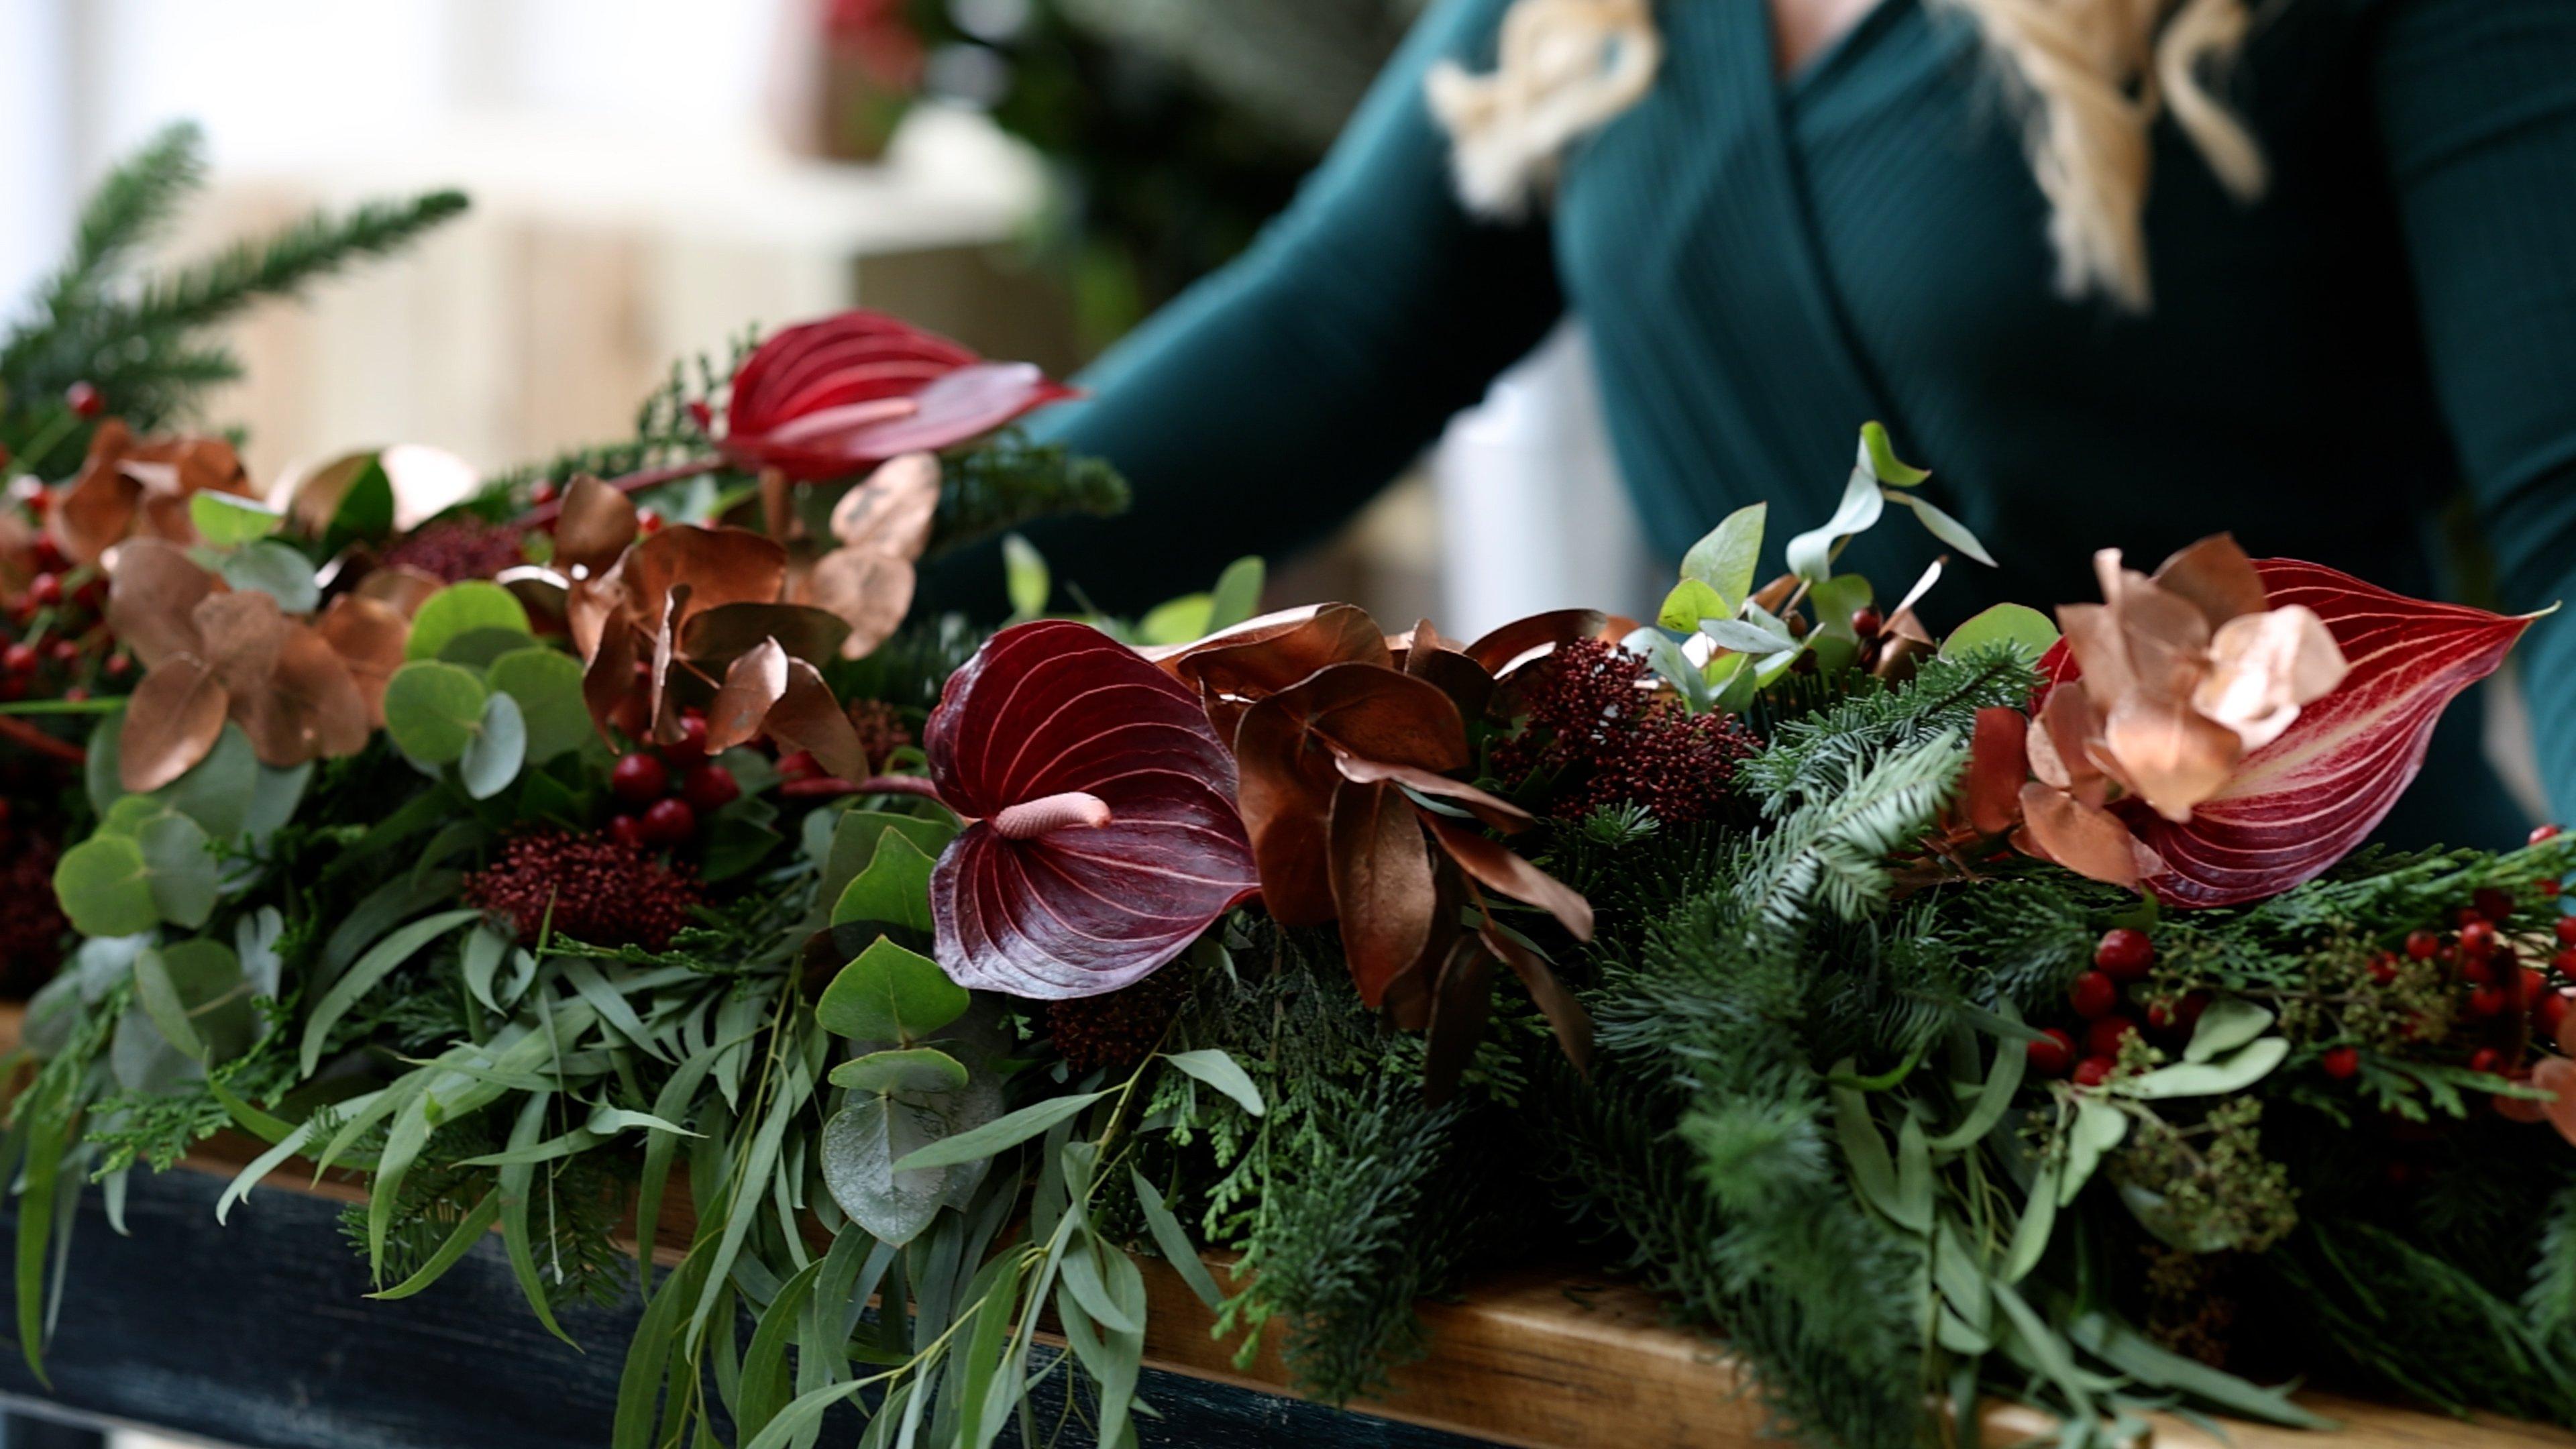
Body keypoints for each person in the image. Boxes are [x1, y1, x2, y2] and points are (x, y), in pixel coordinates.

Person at [932, 0, 2576, 851]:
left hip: (2283, 1000)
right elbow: (1315, 342)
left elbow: (2567, 507)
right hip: (1753, 1001)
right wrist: (804, 548)